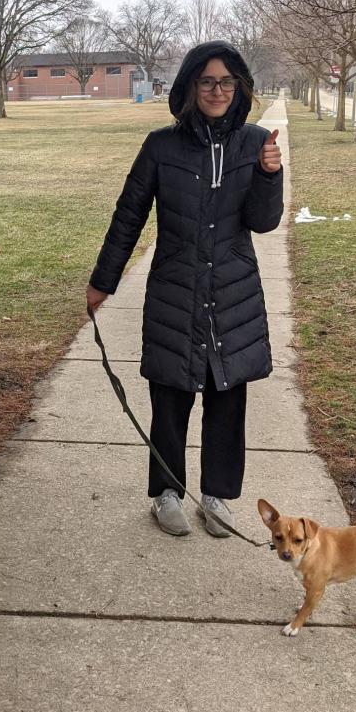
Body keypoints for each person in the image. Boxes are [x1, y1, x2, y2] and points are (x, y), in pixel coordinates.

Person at [86, 41, 283, 537]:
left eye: (226, 82)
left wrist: (269, 174)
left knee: (227, 400)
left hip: (234, 293)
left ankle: (217, 496)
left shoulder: (255, 142)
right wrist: (103, 280)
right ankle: (167, 493)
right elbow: (129, 215)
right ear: (191, 86)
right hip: (175, 290)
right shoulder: (161, 146)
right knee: (170, 398)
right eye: (207, 81)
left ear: (239, 87)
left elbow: (263, 222)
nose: (217, 91)